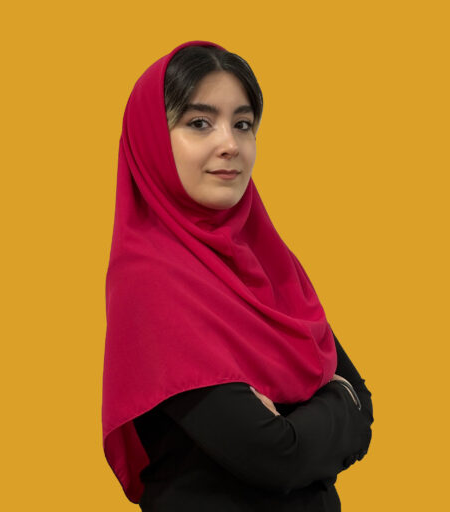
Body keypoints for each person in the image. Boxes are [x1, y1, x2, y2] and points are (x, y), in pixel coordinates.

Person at [102, 41, 374, 511]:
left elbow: (363, 408)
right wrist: (336, 399)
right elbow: (276, 457)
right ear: (152, 139)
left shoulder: (270, 261)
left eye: (243, 124)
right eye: (199, 123)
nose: (229, 144)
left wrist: (318, 414)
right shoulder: (150, 281)